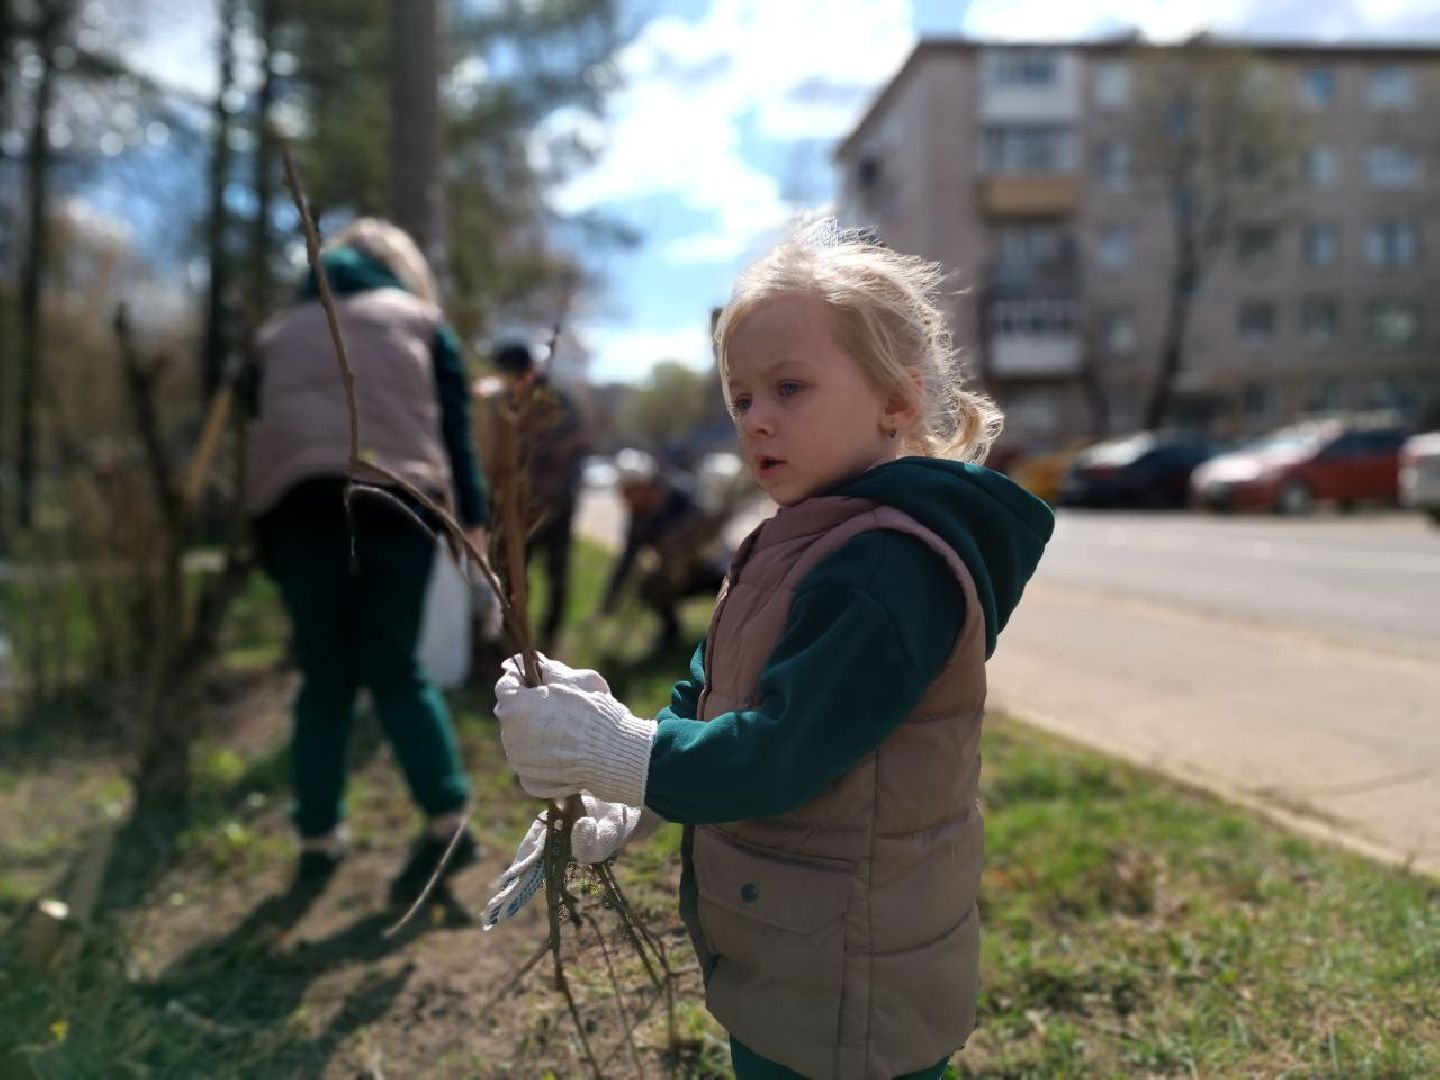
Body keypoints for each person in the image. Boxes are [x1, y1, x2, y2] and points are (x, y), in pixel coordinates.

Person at [487, 220, 1054, 1078]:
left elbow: (781, 755)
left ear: (896, 403)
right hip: (794, 951)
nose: (757, 421)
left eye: (790, 388)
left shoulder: (889, 565)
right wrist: (636, 793)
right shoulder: (794, 538)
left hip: (855, 983)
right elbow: (713, 687)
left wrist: (624, 755)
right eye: (742, 397)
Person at [246, 218, 488, 904]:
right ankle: (447, 817)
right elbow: (454, 428)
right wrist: (472, 518)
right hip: (398, 504)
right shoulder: (421, 321)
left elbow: (252, 416)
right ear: (399, 270)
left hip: (297, 506)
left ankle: (317, 834)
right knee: (395, 665)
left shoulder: (277, 331)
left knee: (323, 675)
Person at [489, 340, 586, 654]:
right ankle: (514, 638)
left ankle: (549, 639)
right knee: (514, 573)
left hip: (552, 504)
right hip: (518, 506)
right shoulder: (507, 400)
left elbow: (574, 447)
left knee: (555, 572)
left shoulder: (552, 401)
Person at [599, 449, 732, 655]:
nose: (623, 498)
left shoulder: (684, 501)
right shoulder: (639, 517)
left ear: (643, 486)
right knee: (651, 588)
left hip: (711, 570)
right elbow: (628, 557)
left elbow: (710, 540)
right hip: (677, 575)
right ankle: (671, 633)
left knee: (735, 591)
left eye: (627, 490)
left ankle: (730, 636)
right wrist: (611, 597)